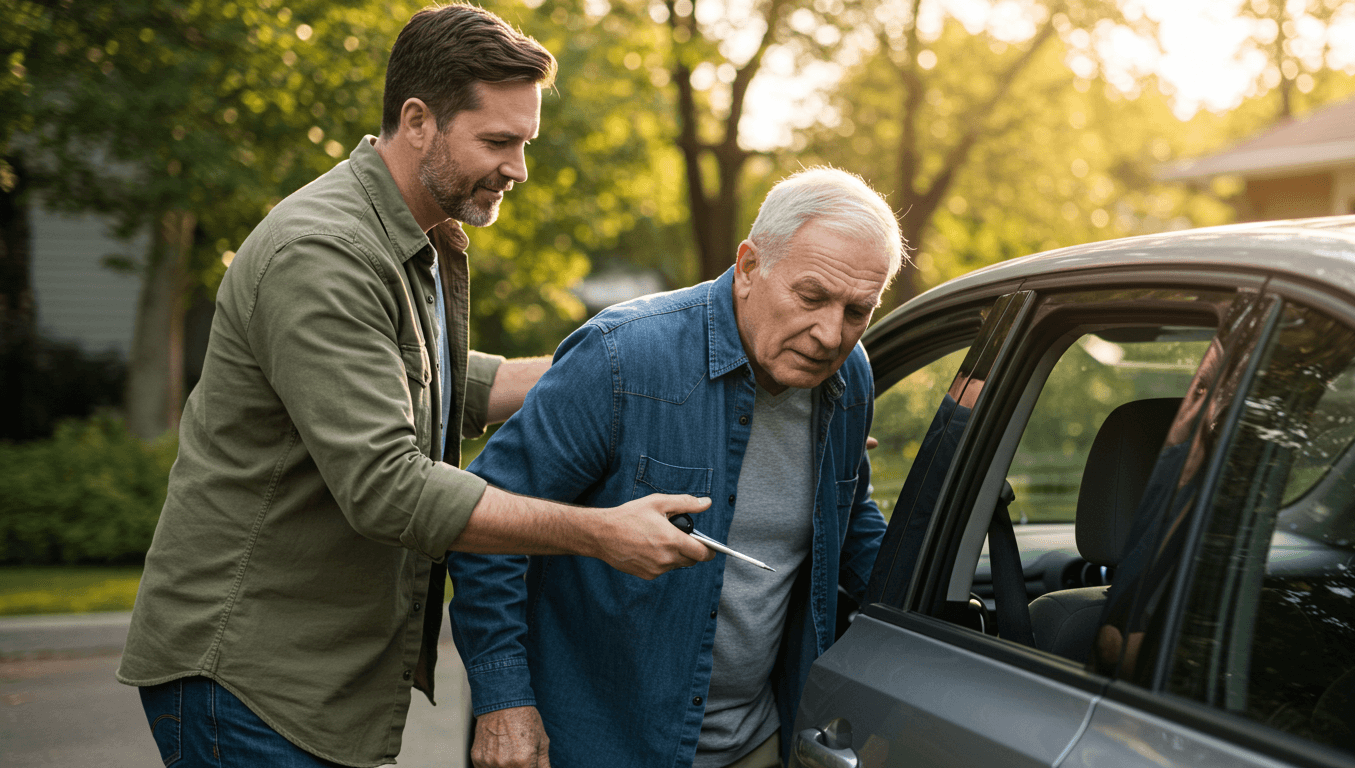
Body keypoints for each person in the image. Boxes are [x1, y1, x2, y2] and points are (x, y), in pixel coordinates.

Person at [117, 5, 712, 767]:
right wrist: (600, 533)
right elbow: (388, 487)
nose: (518, 169)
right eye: (498, 141)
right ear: (418, 120)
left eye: (524, 143)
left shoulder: (414, 233)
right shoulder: (324, 252)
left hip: (309, 680)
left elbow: (455, 385)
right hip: (247, 678)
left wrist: (672, 382)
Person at [451, 167, 904, 768]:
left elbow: (849, 520)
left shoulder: (850, 377)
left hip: (759, 740)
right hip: (596, 743)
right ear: (748, 268)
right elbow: (485, 524)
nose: (830, 334)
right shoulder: (622, 357)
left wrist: (943, 626)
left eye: (857, 310)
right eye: (812, 297)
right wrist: (504, 701)